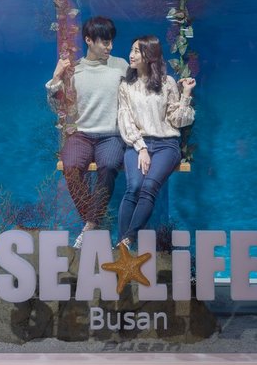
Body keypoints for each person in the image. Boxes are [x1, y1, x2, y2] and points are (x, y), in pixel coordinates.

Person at [46, 16, 129, 248]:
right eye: (104, 42)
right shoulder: (75, 70)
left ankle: (90, 227)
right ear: (88, 40)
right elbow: (57, 106)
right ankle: (93, 224)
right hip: (81, 134)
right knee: (69, 166)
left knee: (110, 165)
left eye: (111, 42)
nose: (109, 47)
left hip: (111, 135)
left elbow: (142, 90)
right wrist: (56, 77)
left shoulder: (121, 66)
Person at [116, 34, 195, 248]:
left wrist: (186, 94)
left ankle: (126, 241)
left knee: (149, 186)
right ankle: (123, 245)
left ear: (149, 55)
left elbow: (177, 120)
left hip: (166, 145)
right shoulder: (126, 86)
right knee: (133, 187)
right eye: (131, 50)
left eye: (136, 51)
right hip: (137, 143)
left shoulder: (167, 83)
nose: (131, 55)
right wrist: (141, 147)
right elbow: (125, 120)